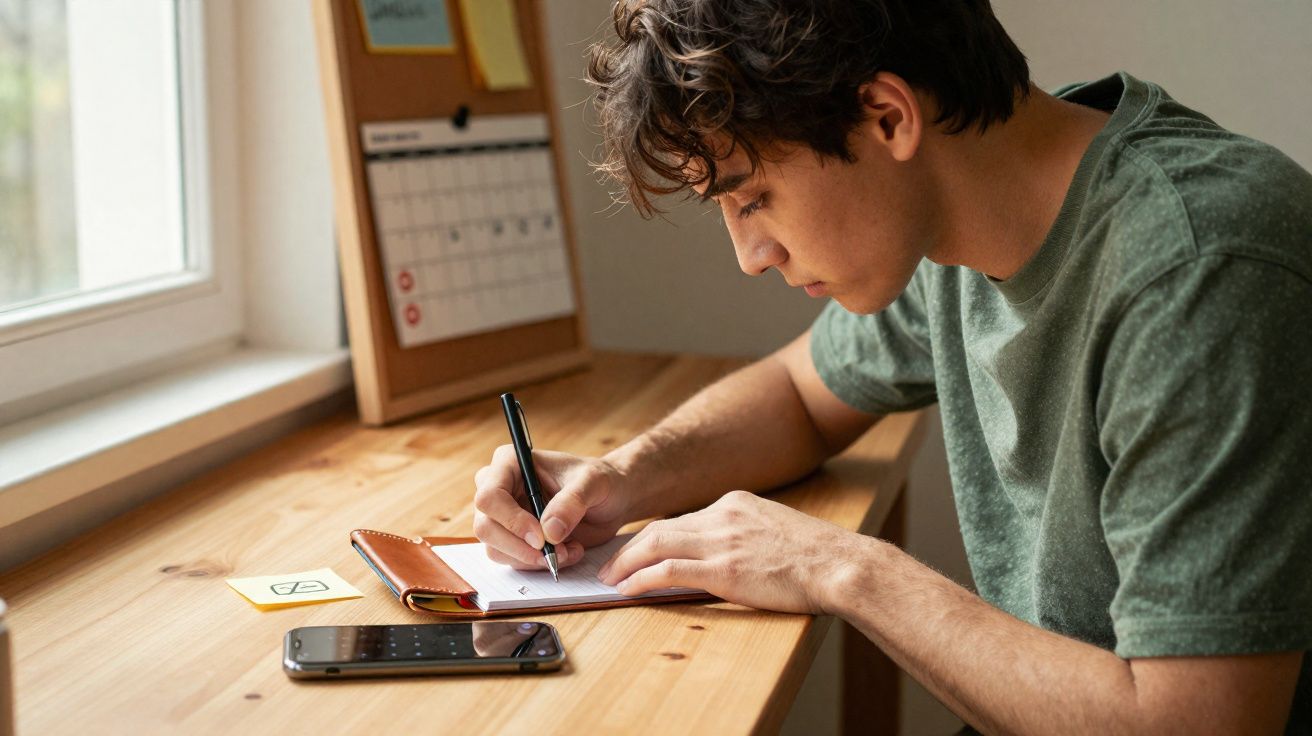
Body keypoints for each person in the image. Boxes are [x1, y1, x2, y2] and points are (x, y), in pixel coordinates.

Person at [472, 1, 1312, 731]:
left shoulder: (1201, 270)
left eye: (751, 196)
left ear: (885, 116)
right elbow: (802, 395)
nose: (749, 255)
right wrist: (618, 476)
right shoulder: (960, 223)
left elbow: (1196, 725)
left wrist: (840, 567)